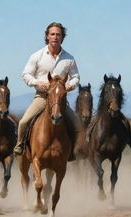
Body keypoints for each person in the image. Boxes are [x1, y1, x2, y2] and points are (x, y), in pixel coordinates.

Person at [13, 22, 82, 160]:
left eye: (58, 34)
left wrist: (70, 86)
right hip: (42, 97)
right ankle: (20, 145)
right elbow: (26, 74)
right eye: (52, 34)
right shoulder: (37, 56)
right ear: (47, 36)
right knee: (23, 122)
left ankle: (72, 152)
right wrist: (36, 82)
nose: (55, 37)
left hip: (60, 100)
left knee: (78, 125)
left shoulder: (69, 59)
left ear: (62, 37)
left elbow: (76, 77)